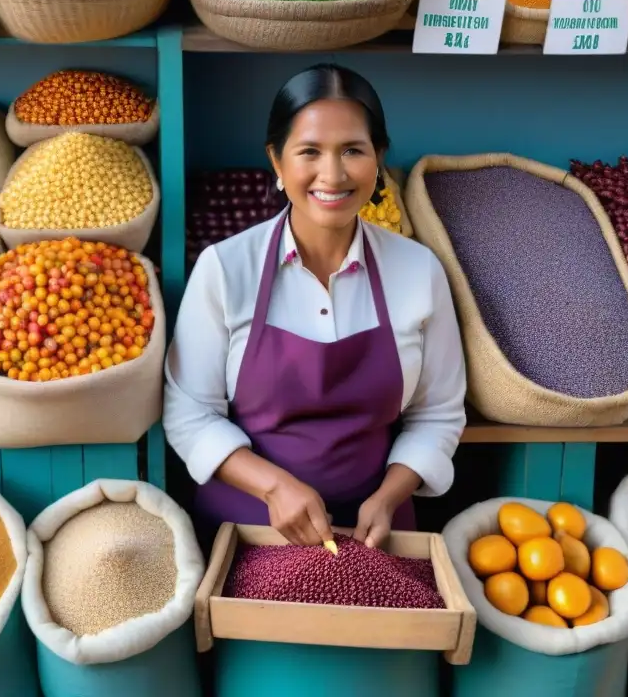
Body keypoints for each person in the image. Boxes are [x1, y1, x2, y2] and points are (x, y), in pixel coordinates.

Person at [163, 64, 467, 551]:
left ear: (378, 158)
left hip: (378, 536)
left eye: (353, 150)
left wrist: (388, 497)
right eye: (309, 152)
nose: (333, 174)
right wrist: (273, 487)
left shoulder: (418, 271)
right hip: (246, 532)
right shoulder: (226, 267)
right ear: (277, 162)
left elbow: (438, 415)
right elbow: (189, 413)